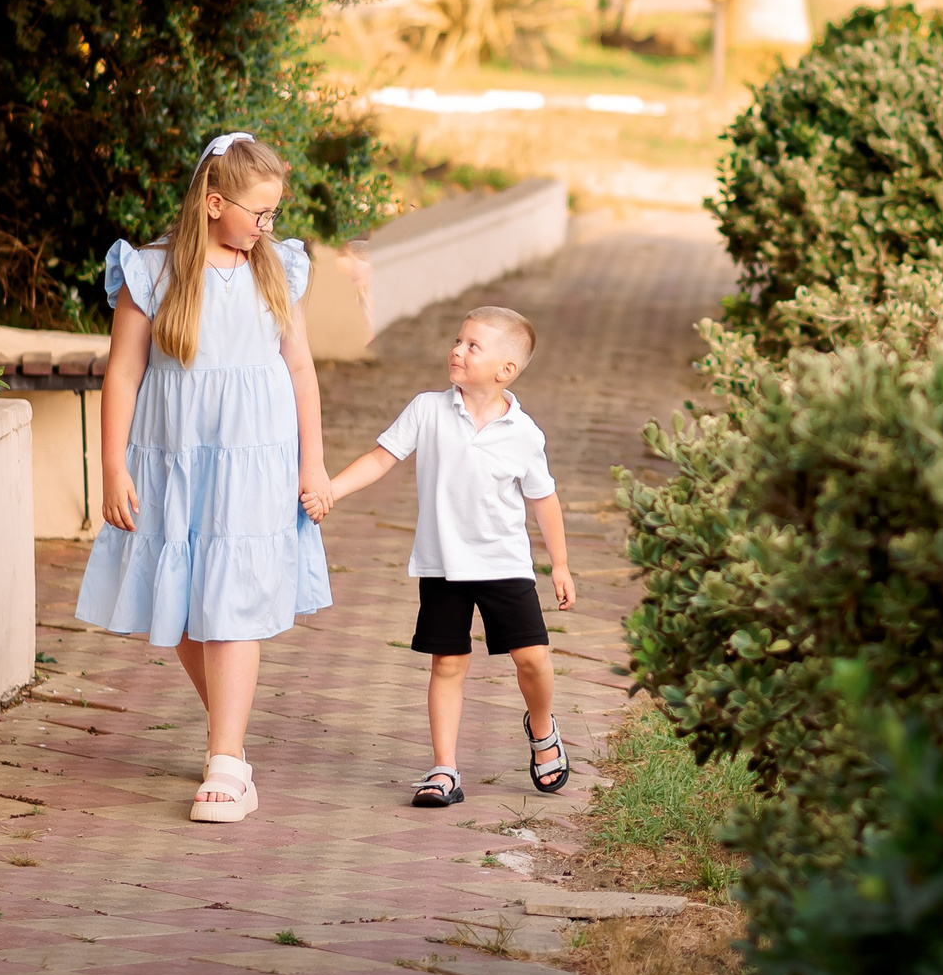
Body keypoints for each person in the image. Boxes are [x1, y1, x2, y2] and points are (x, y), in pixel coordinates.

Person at [76, 132, 334, 823]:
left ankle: (225, 760)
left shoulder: (275, 268)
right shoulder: (152, 271)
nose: (267, 226)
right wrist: (112, 463)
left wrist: (313, 459)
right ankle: (234, 743)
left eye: (274, 214)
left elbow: (300, 370)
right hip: (175, 456)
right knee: (186, 604)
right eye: (257, 212)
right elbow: (124, 373)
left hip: (255, 457)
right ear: (214, 202)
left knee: (233, 602)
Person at [307, 305, 575, 807]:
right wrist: (330, 491)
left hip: (505, 566)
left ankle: (542, 729)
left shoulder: (523, 432)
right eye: (457, 340)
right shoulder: (427, 409)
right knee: (447, 664)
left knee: (532, 658)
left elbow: (544, 499)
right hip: (443, 566)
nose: (456, 350)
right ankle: (444, 770)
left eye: (473, 345)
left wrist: (559, 564)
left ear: (505, 371)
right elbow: (380, 457)